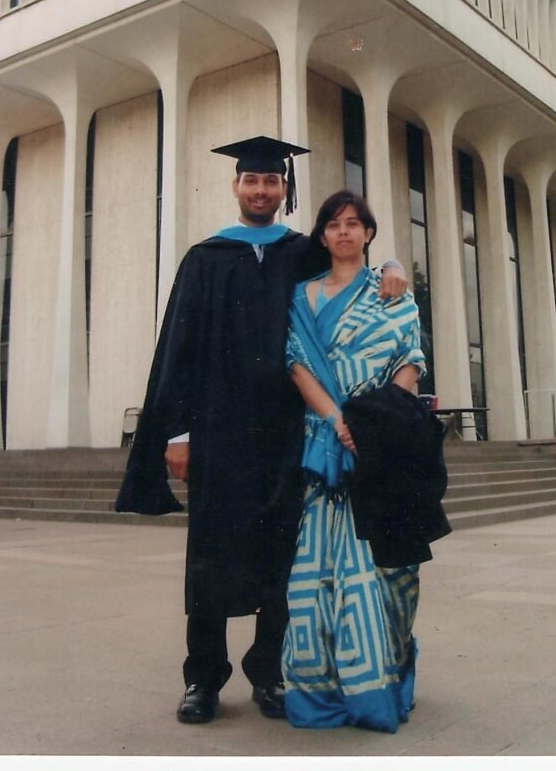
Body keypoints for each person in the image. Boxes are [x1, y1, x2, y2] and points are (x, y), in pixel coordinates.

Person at [115, 137, 409, 726]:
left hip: (284, 432)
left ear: (283, 190)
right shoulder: (206, 258)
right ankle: (203, 678)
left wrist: (395, 267)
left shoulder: (300, 252)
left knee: (282, 557)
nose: (261, 190)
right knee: (209, 554)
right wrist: (176, 434)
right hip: (216, 432)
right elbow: (179, 348)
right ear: (236, 186)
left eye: (271, 181)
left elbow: (352, 264)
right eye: (252, 180)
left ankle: (268, 673)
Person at [282, 190, 450, 733]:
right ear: (322, 235)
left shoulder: (391, 293)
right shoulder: (301, 296)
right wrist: (340, 422)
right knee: (316, 577)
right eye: (334, 224)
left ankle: (385, 681)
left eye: (354, 223)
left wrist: (374, 424)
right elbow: (298, 366)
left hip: (380, 448)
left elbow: (409, 363)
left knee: (388, 572)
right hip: (325, 446)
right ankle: (324, 689)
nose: (344, 232)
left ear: (369, 233)